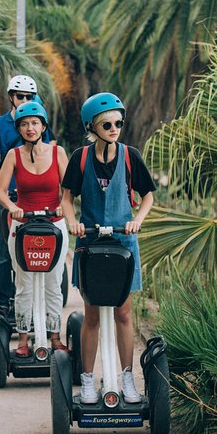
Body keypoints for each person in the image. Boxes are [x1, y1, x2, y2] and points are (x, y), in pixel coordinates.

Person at [60, 92, 156, 404]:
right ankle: (88, 381)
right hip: (90, 243)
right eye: (108, 123)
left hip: (123, 243)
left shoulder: (131, 156)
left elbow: (148, 196)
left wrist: (137, 220)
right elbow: (66, 198)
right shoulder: (81, 158)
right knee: (91, 315)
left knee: (124, 313)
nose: (115, 128)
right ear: (94, 126)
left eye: (119, 122)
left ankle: (127, 379)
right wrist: (73, 221)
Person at [0, 101, 69, 357]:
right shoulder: (13, 156)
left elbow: (70, 189)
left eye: (35, 123)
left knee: (53, 282)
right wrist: (12, 206)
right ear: (19, 128)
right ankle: (24, 340)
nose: (30, 128)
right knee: (24, 283)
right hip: (22, 224)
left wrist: (62, 205)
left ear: (43, 126)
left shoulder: (58, 153)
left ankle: (55, 337)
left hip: (54, 225)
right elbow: (1, 191)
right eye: (25, 124)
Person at [0, 75, 57, 314]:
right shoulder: (0, 125)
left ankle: (44, 300)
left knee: (45, 244)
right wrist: (1, 188)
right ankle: (4, 300)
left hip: (38, 199)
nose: (24, 100)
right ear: (11, 97)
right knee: (8, 249)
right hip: (12, 199)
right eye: (20, 96)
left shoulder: (38, 122)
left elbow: (51, 154)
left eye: (29, 96)